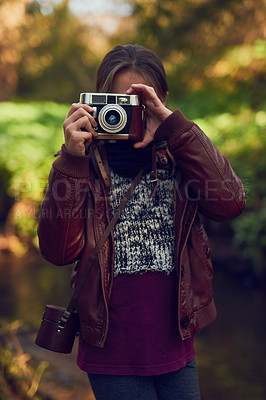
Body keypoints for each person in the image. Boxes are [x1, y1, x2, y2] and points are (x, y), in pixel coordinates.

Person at [37, 44, 246, 400]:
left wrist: (176, 129)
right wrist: (72, 160)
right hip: (111, 351)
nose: (123, 113)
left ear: (160, 98)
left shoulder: (181, 155)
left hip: (176, 347)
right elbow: (58, 252)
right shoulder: (80, 161)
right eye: (115, 102)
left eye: (136, 103)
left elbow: (230, 203)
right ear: (98, 101)